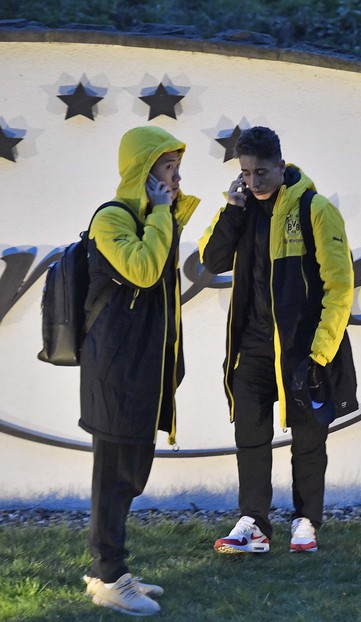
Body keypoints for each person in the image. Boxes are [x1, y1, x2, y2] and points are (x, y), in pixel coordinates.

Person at [199, 126, 356, 555]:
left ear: (282, 167)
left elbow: (339, 286)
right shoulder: (242, 206)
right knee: (250, 435)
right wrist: (231, 208)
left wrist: (320, 351)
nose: (253, 182)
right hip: (251, 347)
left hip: (302, 349)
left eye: (261, 172)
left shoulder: (315, 209)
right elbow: (210, 260)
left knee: (308, 438)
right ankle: (254, 523)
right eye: (246, 173)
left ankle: (306, 522)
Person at [79, 126, 200, 616]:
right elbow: (145, 271)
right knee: (114, 474)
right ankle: (108, 577)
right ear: (144, 171)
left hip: (142, 365)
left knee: (129, 473)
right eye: (168, 167)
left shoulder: (152, 217)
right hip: (115, 368)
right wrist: (161, 213)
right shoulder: (111, 220)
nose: (176, 176)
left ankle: (111, 570)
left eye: (176, 167)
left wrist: (166, 210)